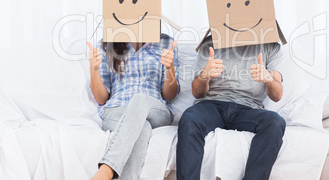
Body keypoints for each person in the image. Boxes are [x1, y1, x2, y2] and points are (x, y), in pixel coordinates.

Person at [177, 36, 285, 180]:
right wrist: (204, 75)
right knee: (189, 119)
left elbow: (277, 96)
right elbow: (197, 93)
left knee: (275, 122)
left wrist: (268, 79)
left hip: (248, 109)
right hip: (211, 106)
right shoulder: (209, 43)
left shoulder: (271, 46)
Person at [87, 33, 179, 180]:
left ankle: (107, 169)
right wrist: (94, 69)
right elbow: (101, 98)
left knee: (139, 99)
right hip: (117, 110)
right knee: (141, 127)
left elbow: (170, 95)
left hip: (154, 109)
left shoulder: (166, 42)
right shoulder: (107, 44)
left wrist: (170, 68)